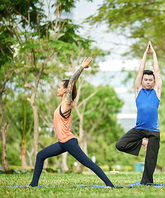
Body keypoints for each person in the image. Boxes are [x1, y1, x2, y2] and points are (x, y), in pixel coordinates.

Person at [28, 57, 114, 188]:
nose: (57, 89)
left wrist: (82, 67)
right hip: (63, 142)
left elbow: (72, 81)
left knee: (88, 163)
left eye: (59, 87)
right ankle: (33, 185)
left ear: (65, 90)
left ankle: (109, 184)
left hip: (68, 141)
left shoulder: (67, 103)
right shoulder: (62, 104)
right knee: (40, 155)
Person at [116, 41, 162, 185]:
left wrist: (153, 54)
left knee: (151, 160)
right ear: (141, 81)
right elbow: (140, 70)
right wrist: (144, 54)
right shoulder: (138, 92)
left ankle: (146, 182)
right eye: (145, 79)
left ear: (154, 82)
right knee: (120, 144)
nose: (148, 82)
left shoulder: (157, 92)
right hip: (139, 130)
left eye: (150, 80)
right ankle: (142, 142)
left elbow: (158, 71)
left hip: (154, 131)